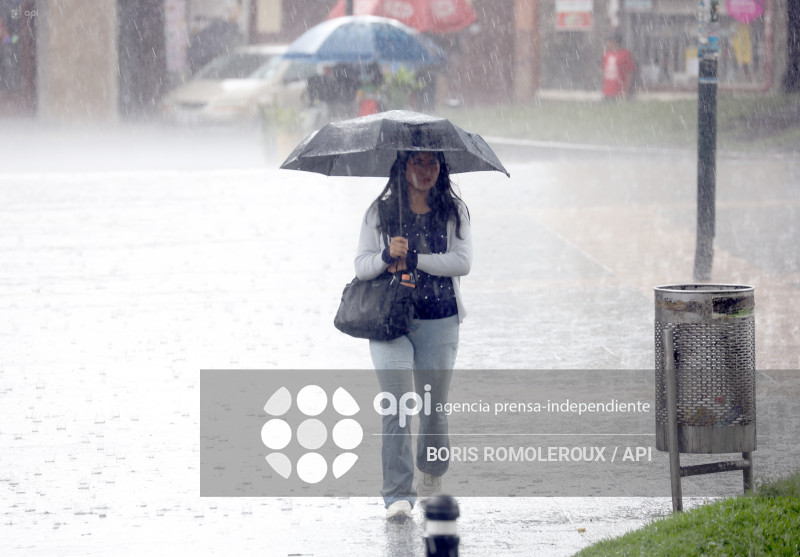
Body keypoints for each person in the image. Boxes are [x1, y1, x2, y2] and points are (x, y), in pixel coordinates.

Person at [354, 150, 472, 521]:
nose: (425, 170)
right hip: (390, 321)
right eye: (417, 162)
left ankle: (431, 473)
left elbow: (462, 262)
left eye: (432, 163)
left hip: (440, 319)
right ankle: (397, 494)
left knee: (433, 410)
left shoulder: (453, 211)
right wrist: (386, 256)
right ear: (403, 166)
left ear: (442, 167)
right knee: (396, 405)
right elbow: (362, 266)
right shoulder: (380, 212)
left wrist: (417, 258)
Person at [602, 33, 636, 100]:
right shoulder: (606, 55)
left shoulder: (625, 54)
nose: (607, 43)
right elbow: (604, 73)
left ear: (614, 42)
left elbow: (629, 73)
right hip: (607, 92)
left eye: (608, 41)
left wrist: (625, 90)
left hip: (619, 92)